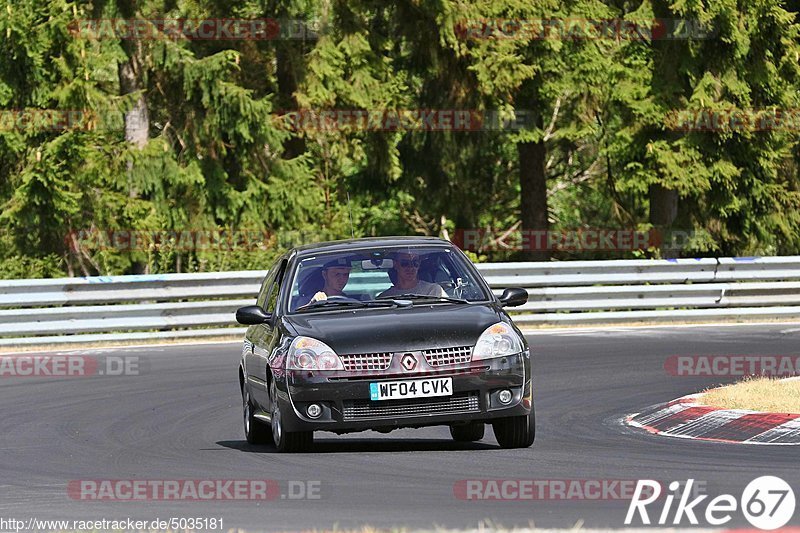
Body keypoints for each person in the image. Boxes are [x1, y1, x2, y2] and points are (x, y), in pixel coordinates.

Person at [378, 251, 446, 298]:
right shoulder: (385, 298)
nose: (411, 267)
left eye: (415, 262)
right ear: (396, 265)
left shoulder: (434, 291)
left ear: (419, 265)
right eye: (405, 263)